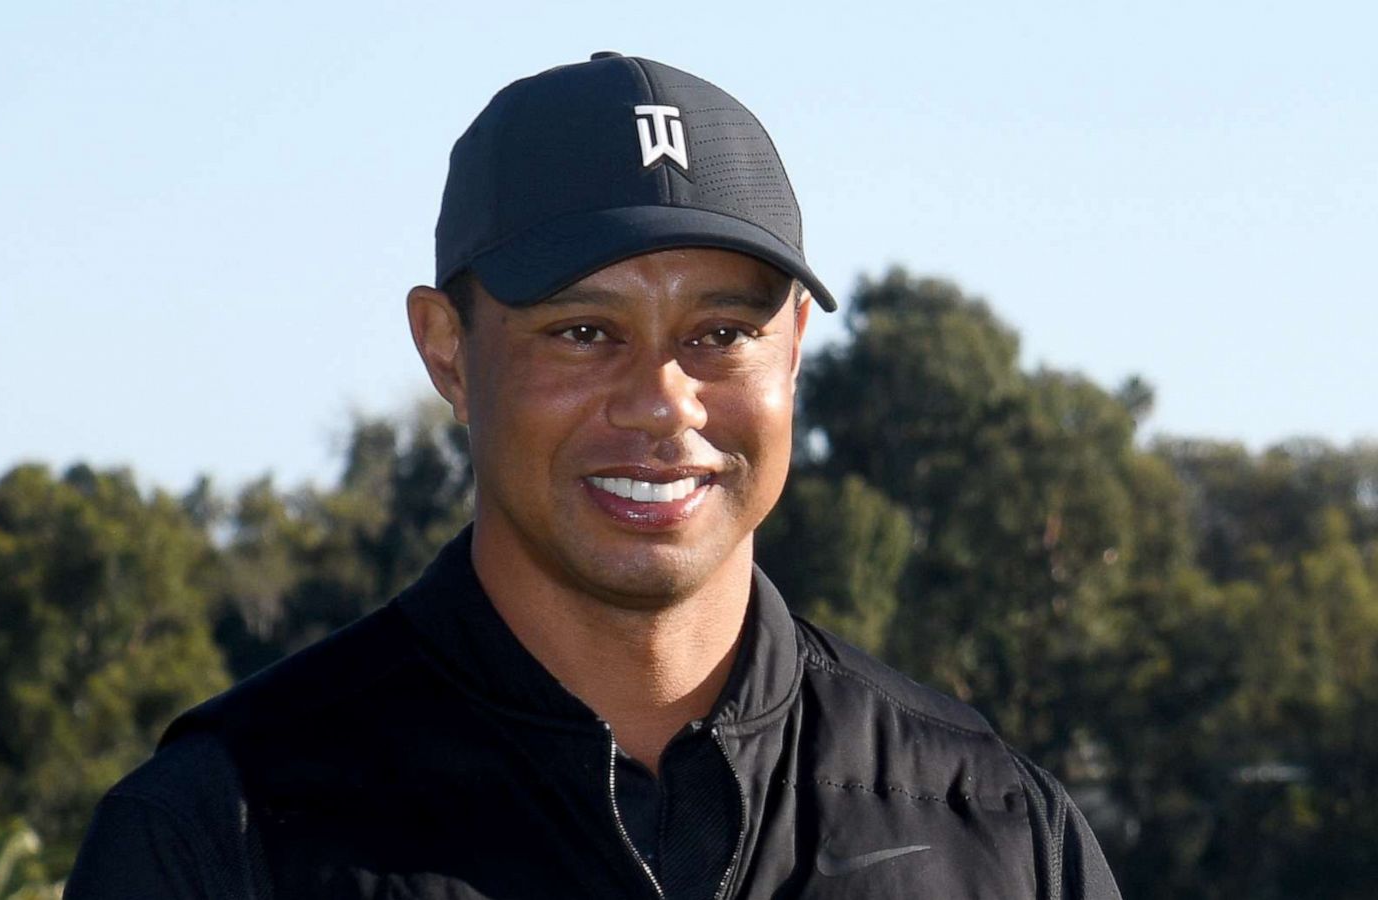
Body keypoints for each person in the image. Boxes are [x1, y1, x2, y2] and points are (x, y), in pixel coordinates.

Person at [64, 52, 1121, 899]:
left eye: (719, 332)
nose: (661, 402)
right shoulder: (222, 831)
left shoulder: (993, 829)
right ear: (446, 352)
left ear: (792, 349)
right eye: (582, 331)